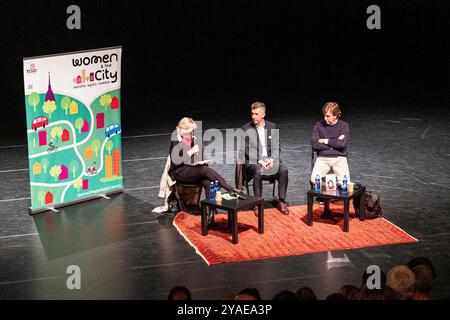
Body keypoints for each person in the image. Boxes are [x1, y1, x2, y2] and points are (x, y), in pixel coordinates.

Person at [169, 117, 238, 200]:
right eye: (190, 132)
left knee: (208, 183)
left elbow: (200, 156)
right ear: (183, 130)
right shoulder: (176, 141)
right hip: (181, 172)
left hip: (193, 170)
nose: (192, 134)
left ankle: (211, 210)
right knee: (204, 170)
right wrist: (191, 152)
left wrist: (203, 160)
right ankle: (230, 189)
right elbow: (176, 162)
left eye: (193, 131)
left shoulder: (193, 139)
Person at [239, 102, 289, 215]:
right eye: (252, 114)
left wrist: (272, 160)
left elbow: (276, 147)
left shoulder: (272, 126)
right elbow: (246, 151)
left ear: (263, 114)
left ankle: (281, 201)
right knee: (258, 170)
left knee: (283, 169)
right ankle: (257, 203)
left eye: (256, 114)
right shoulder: (245, 129)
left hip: (270, 160)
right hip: (254, 161)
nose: (253, 116)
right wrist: (260, 161)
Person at [310, 102, 350, 188]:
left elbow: (342, 144)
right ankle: (330, 190)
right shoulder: (318, 126)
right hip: (323, 158)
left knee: (345, 183)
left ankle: (333, 191)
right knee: (314, 180)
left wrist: (325, 140)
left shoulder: (344, 126)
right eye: (324, 115)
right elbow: (315, 145)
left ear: (335, 115)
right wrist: (334, 144)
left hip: (339, 158)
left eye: (328, 116)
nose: (325, 118)